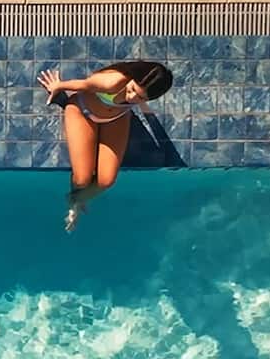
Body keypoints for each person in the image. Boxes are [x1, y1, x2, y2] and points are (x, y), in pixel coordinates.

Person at [36, 61, 175, 232]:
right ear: (132, 78)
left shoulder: (144, 90)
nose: (132, 98)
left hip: (116, 118)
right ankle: (74, 195)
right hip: (83, 112)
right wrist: (58, 86)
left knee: (106, 181)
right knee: (82, 179)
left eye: (140, 98)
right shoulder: (113, 81)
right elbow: (83, 85)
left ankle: (76, 199)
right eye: (132, 89)